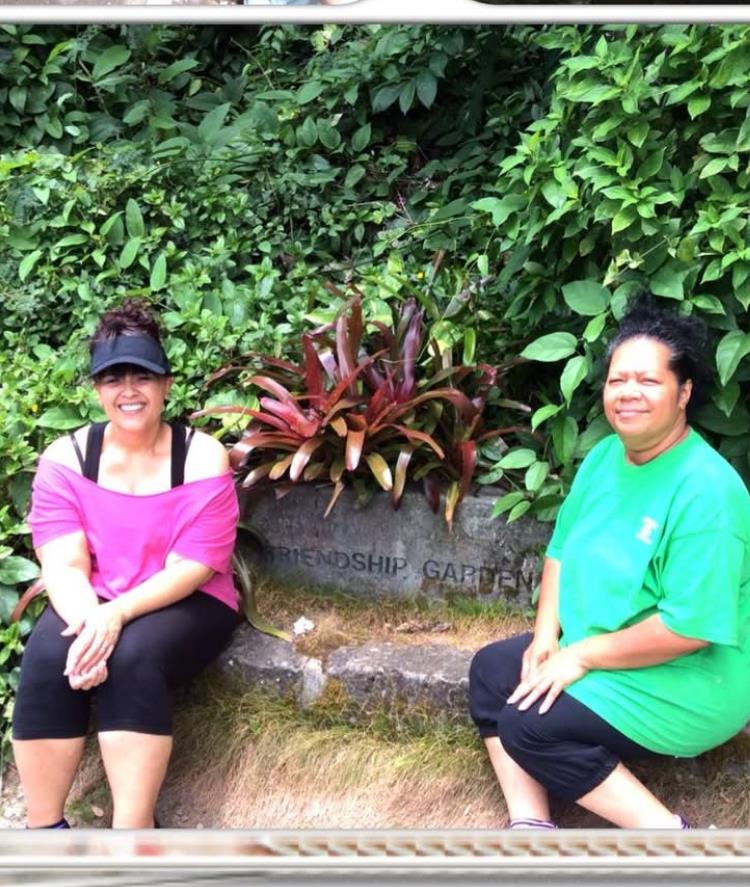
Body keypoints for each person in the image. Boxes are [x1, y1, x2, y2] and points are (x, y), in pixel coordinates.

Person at [469, 296, 750, 829]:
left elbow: (689, 628)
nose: (628, 393)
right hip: (601, 645)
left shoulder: (707, 492)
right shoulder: (603, 458)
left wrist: (583, 657)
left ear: (684, 392)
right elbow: (562, 549)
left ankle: (670, 837)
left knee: (529, 724)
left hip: (691, 680)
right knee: (493, 672)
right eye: (618, 380)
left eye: (648, 381)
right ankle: (531, 828)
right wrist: (546, 637)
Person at [12, 298, 240, 829]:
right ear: (96, 388)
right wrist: (93, 621)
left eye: (143, 376)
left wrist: (115, 619)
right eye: (113, 378)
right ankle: (45, 832)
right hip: (93, 596)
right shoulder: (65, 459)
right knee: (49, 656)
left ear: (166, 385)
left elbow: (195, 566)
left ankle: (132, 837)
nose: (129, 391)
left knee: (133, 658)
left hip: (187, 597)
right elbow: (64, 564)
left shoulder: (201, 456)